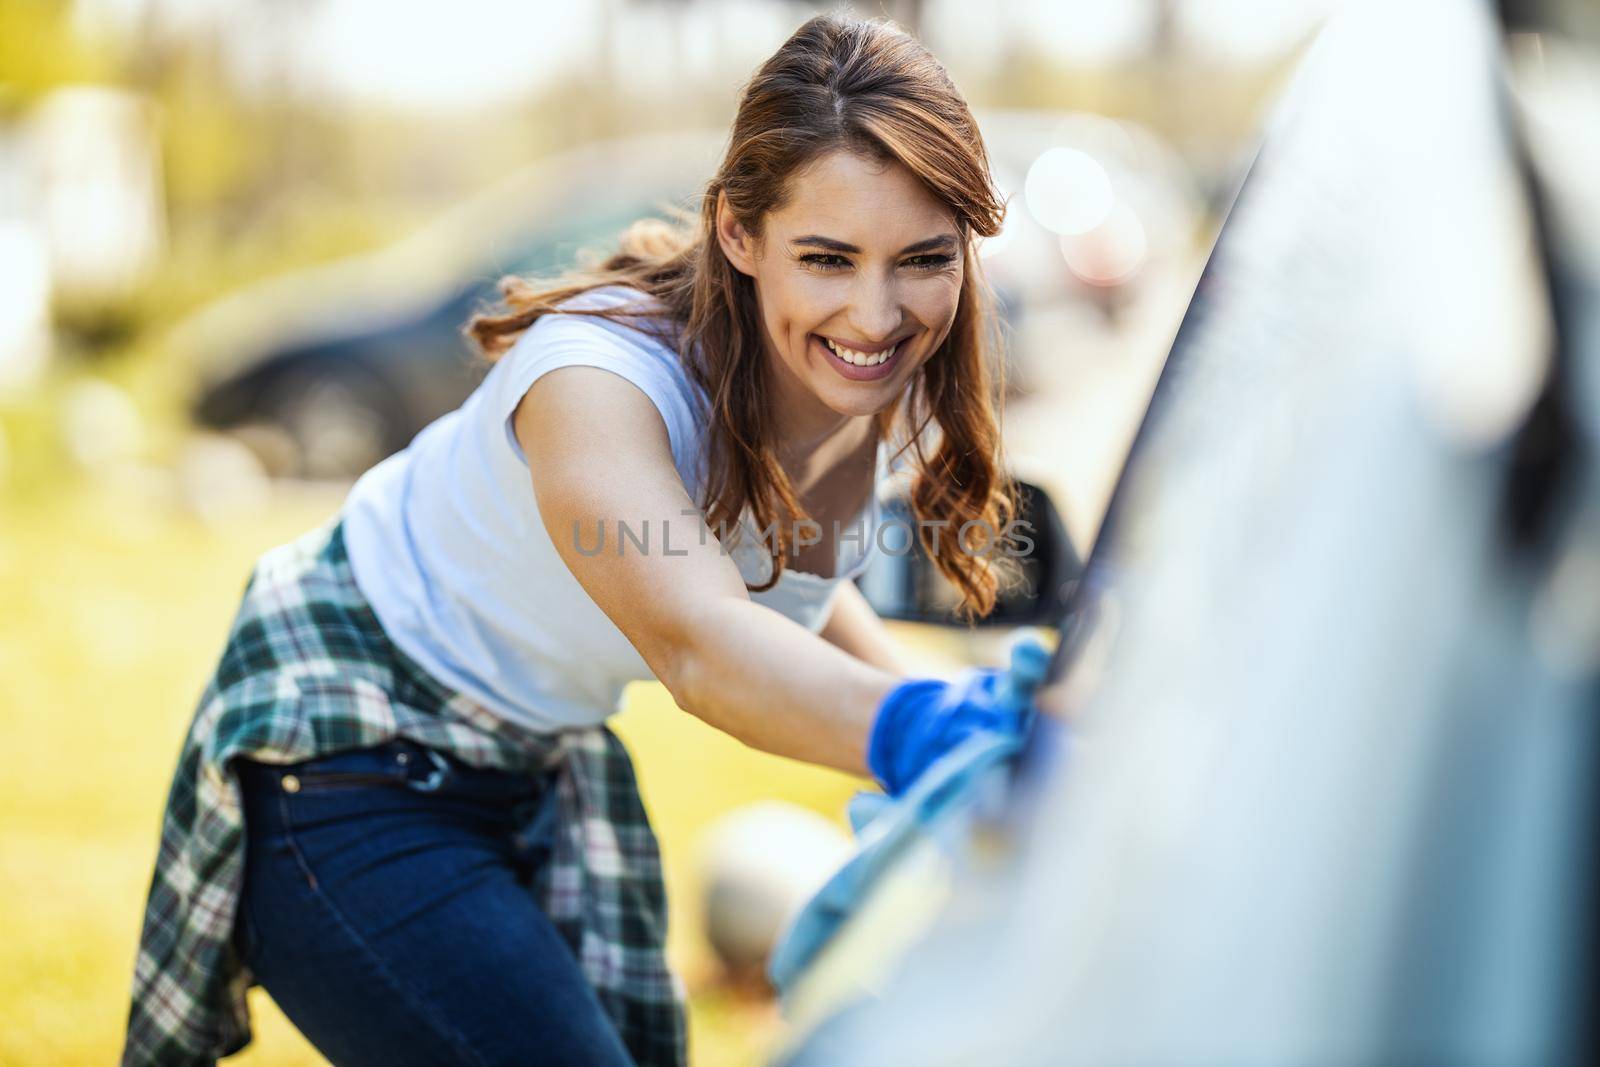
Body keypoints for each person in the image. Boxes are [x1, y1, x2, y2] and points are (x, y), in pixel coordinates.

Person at [119, 12, 1043, 1067]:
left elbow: (780, 583)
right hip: (341, 749)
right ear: (738, 234)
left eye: (921, 259)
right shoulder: (598, 382)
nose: (876, 314)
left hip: (519, 765)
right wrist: (928, 732)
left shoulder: (835, 372)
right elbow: (701, 640)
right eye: (827, 257)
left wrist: (983, 735)